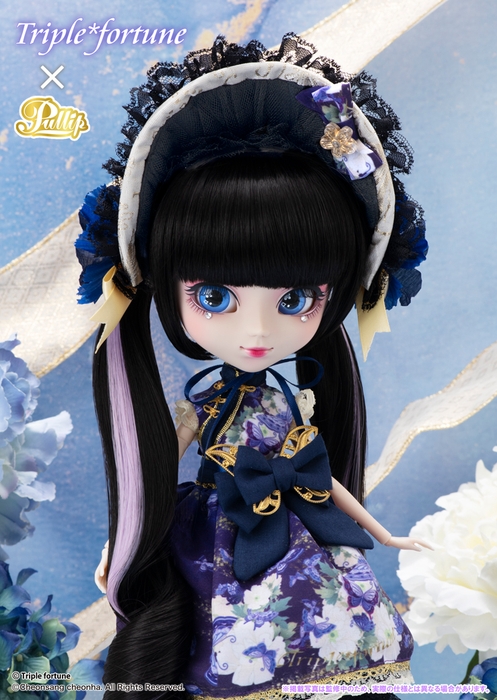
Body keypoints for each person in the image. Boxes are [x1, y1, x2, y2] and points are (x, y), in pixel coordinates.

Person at [77, 34, 430, 700]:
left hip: (300, 530)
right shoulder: (205, 407)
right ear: (164, 286)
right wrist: (120, 546)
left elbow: (318, 477)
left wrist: (382, 534)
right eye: (215, 297)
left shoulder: (292, 406)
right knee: (229, 633)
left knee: (333, 624)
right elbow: (153, 474)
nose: (259, 331)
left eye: (295, 300)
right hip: (224, 531)